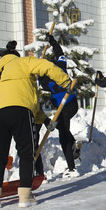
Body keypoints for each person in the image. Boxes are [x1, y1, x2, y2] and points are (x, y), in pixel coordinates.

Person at [0, 40, 71, 210]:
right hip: (20, 112)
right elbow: (46, 67)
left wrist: (44, 120)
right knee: (26, 152)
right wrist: (65, 81)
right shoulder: (23, 62)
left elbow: (31, 99)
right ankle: (25, 196)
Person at [38, 34, 80, 174]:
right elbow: (60, 54)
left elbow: (41, 84)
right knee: (63, 129)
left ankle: (71, 167)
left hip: (64, 106)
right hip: (72, 103)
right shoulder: (60, 66)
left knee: (63, 134)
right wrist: (53, 42)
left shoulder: (44, 79)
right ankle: (72, 143)